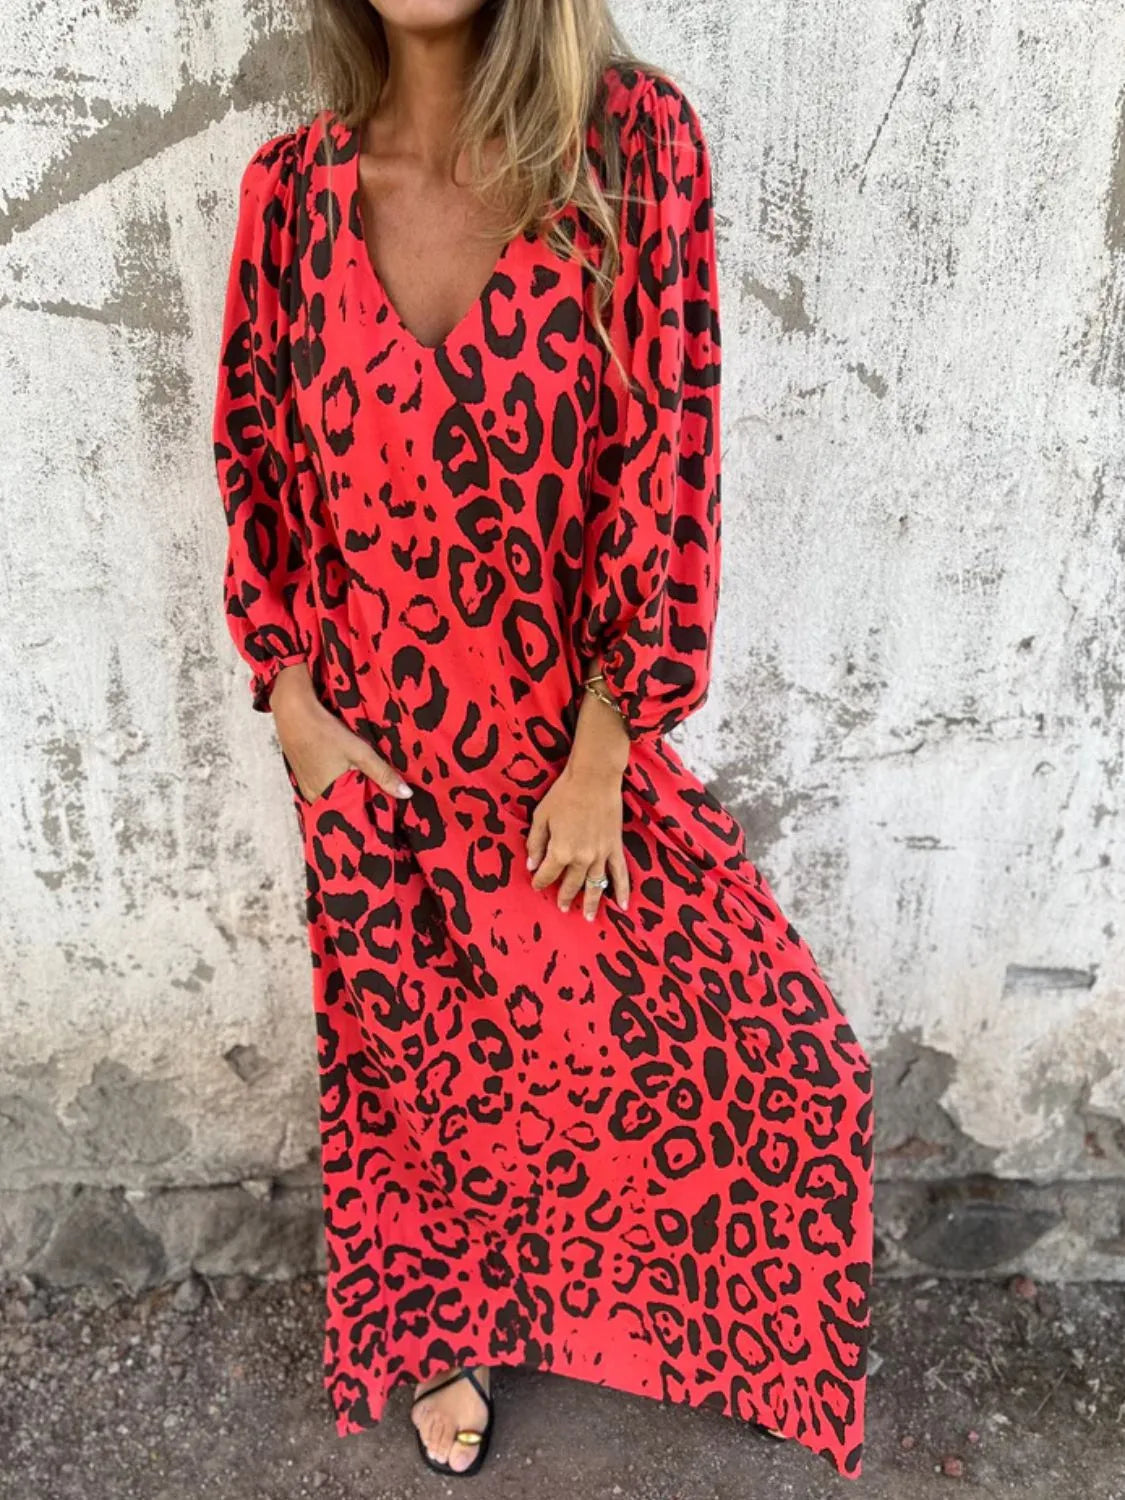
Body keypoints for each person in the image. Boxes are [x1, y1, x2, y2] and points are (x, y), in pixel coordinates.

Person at [212, 0, 875, 1482]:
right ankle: (436, 1329)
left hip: (557, 743)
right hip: (374, 759)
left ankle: (688, 1322)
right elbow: (255, 460)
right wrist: (294, 706)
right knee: (418, 1091)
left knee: (788, 1064)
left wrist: (608, 744)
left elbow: (668, 451)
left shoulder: (629, 150)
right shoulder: (291, 193)